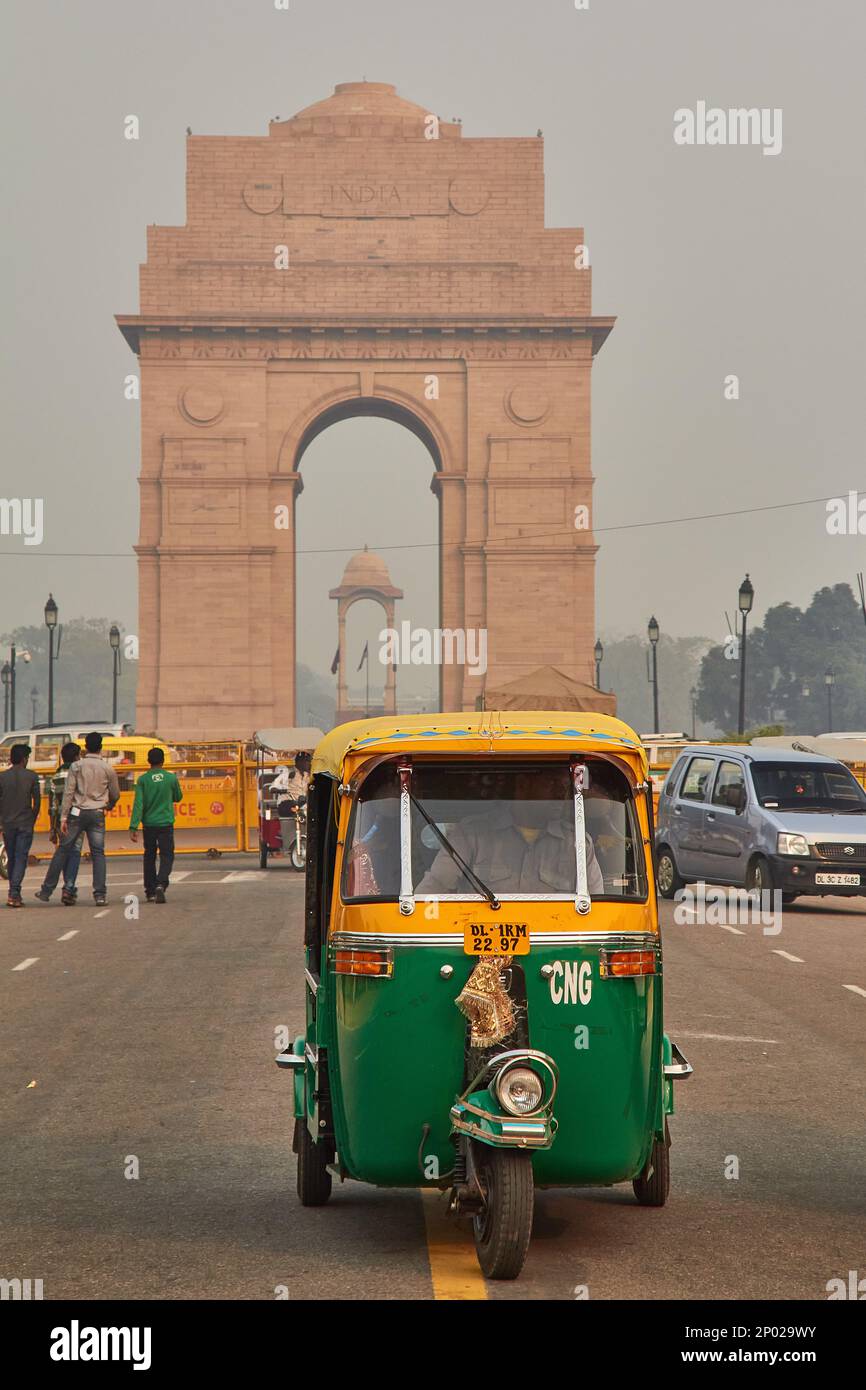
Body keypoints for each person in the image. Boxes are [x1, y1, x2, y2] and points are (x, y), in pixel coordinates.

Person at [416, 768, 604, 897]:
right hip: (477, 950)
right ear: (523, 785)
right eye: (552, 782)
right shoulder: (471, 835)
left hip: (555, 952)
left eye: (564, 785)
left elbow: (598, 909)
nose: (561, 792)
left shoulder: (576, 843)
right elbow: (430, 894)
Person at [57, 731, 120, 906]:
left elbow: (68, 794)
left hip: (77, 813)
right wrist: (109, 805)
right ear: (101, 747)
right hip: (97, 814)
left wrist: (63, 817)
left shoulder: (76, 766)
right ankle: (100, 894)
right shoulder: (108, 768)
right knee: (98, 853)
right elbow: (115, 794)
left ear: (85, 747)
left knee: (73, 850)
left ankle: (68, 888)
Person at [129, 747, 182, 903]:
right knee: (167, 855)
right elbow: (178, 797)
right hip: (165, 823)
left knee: (149, 856)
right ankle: (161, 882)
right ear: (163, 761)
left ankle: (150, 891)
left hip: (149, 825)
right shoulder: (171, 778)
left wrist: (133, 826)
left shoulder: (143, 780)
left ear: (148, 761)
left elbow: (138, 804)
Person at [35, 742, 83, 906]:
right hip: (77, 818)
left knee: (62, 853)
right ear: (77, 756)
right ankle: (68, 888)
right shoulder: (80, 773)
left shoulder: (55, 777)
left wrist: (52, 827)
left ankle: (51, 889)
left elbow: (53, 806)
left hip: (60, 821)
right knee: (74, 852)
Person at [0, 744, 41, 908]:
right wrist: (33, 818)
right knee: (21, 857)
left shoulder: (2, 777)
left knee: (12, 856)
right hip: (25, 822)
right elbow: (37, 802)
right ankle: (14, 892)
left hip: (8, 823)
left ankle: (13, 891)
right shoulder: (32, 776)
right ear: (24, 759)